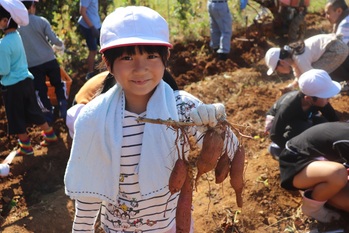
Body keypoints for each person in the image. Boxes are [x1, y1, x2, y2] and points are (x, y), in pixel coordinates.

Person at [64, 6, 242, 232]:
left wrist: (217, 126)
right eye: (127, 57)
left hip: (173, 226)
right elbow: (89, 192)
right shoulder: (93, 119)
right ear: (108, 63)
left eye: (151, 56)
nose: (140, 69)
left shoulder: (182, 109)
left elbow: (231, 152)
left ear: (165, 59)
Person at [0, 0, 58, 156]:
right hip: (26, 81)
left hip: (12, 86)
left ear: (5, 21)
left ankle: (26, 147)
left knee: (16, 116)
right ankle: (50, 135)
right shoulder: (17, 36)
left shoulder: (3, 44)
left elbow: (4, 70)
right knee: (33, 110)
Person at [278, 121, 349, 223]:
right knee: (338, 173)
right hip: (296, 164)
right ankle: (313, 209)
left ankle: (321, 192)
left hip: (322, 165)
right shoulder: (346, 140)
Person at [265, 69, 340, 159]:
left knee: (323, 124)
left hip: (305, 117)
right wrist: (289, 148)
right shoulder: (288, 108)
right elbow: (274, 134)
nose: (329, 99)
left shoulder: (317, 99)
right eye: (326, 97)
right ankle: (276, 149)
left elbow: (333, 119)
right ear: (308, 98)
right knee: (302, 127)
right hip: (283, 124)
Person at [18, 0, 68, 123]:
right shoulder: (41, 21)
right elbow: (54, 40)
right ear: (31, 7)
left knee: (41, 91)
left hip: (33, 65)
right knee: (58, 84)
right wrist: (60, 45)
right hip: (49, 60)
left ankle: (48, 117)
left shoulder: (17, 27)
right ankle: (63, 108)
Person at [265, 33, 349, 92]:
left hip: (337, 49)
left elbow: (310, 79)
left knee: (316, 75)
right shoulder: (293, 55)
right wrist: (290, 87)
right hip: (335, 46)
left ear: (282, 62)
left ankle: (329, 92)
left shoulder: (299, 58)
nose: (278, 72)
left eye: (276, 69)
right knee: (313, 73)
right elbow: (299, 75)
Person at [324, 0, 349, 90]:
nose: (326, 17)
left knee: (332, 57)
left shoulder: (345, 23)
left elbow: (337, 48)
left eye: (328, 13)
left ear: (339, 11)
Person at [78, 0, 101, 80]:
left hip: (96, 25)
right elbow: (82, 12)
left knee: (103, 46)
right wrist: (92, 27)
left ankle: (105, 68)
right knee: (93, 50)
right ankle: (90, 74)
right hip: (89, 27)